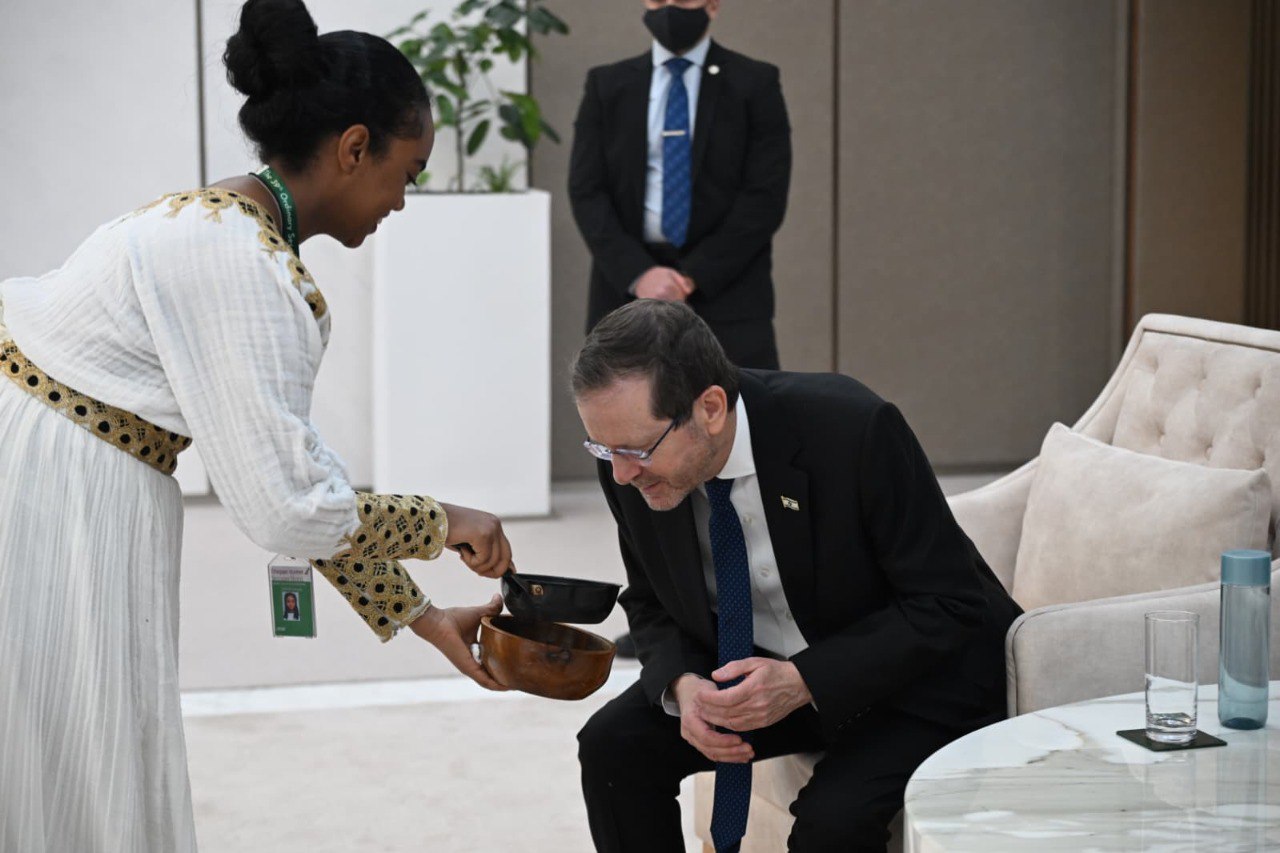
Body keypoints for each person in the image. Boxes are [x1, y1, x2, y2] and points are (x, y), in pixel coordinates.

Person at [0, 1, 512, 849]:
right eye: (408, 172)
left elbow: (294, 481)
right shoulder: (244, 266)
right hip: (64, 486)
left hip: (54, 456)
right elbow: (286, 508)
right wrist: (447, 520)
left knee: (57, 734)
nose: (404, 201)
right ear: (354, 148)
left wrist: (420, 615)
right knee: (76, 740)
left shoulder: (222, 228)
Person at [570, 301, 1022, 852]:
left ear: (710, 408)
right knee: (613, 746)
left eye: (635, 449)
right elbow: (649, 597)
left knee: (832, 824)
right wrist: (681, 684)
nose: (620, 472)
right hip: (764, 678)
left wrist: (804, 679)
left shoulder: (851, 429)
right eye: (604, 448)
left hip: (914, 680)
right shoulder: (628, 461)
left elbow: (951, 602)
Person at [569, 0, 791, 372]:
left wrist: (690, 278)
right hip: (626, 290)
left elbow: (764, 197)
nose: (670, 8)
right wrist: (641, 274)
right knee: (625, 421)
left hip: (726, 291)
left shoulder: (755, 83)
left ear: (714, 5)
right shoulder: (607, 85)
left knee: (738, 417)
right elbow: (587, 190)